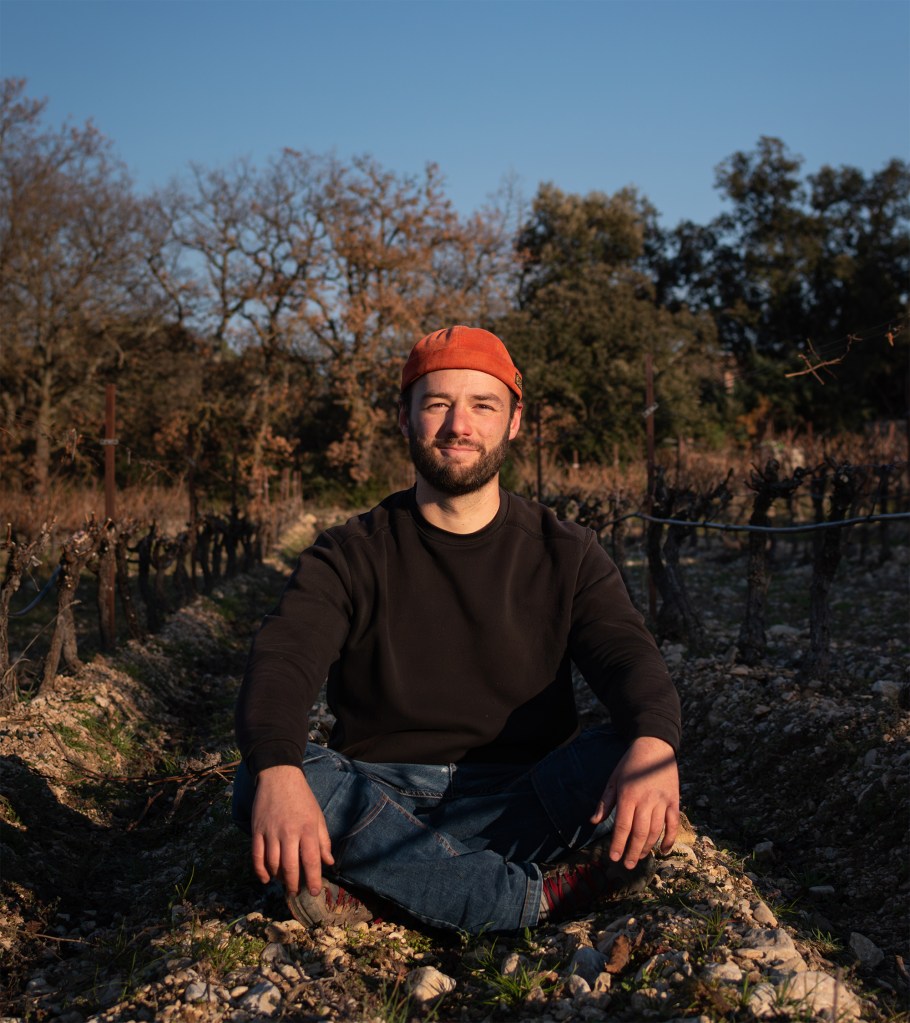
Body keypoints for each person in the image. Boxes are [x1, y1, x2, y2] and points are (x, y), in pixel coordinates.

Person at [233, 325, 681, 934]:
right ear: (405, 417)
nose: (459, 426)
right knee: (264, 775)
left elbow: (629, 656)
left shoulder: (567, 552)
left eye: (482, 406)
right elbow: (283, 659)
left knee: (629, 755)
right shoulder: (349, 553)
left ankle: (394, 888)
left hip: (522, 798)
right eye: (438, 404)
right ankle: (526, 899)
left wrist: (655, 743)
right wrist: (280, 773)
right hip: (380, 796)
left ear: (514, 421)